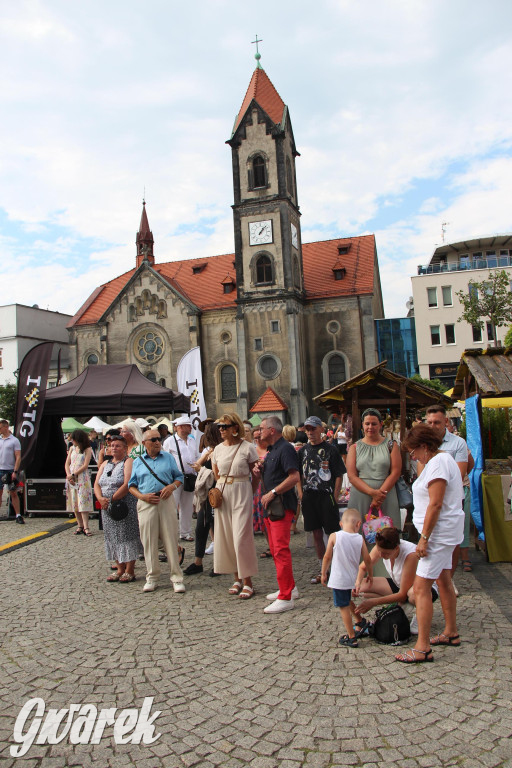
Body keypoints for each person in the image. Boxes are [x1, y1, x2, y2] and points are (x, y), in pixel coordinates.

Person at [395, 424, 464, 663]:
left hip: (437, 535)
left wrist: (424, 538)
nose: (412, 456)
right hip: (440, 533)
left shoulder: (438, 463)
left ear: (425, 446)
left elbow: (436, 504)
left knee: (421, 588)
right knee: (444, 579)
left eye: (413, 451)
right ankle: (450, 632)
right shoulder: (440, 461)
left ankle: (422, 646)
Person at [128, 429, 185, 593]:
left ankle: (176, 577)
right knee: (149, 540)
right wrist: (142, 496)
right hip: (146, 502)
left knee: (170, 539)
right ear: (145, 443)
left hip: (165, 501)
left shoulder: (168, 457)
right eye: (153, 440)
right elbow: (131, 485)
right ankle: (152, 576)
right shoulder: (137, 461)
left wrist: (171, 486)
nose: (157, 442)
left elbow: (179, 477)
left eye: (159, 439)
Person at [354, 526, 439, 636]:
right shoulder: (381, 545)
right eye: (379, 551)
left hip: (422, 589)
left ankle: (418, 613)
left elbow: (402, 594)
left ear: (397, 549)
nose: (381, 555)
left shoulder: (410, 555)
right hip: (399, 583)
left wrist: (373, 603)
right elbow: (363, 567)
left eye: (386, 553)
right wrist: (356, 583)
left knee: (412, 595)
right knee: (363, 587)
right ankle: (399, 605)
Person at [211, 413, 259, 600]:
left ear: (235, 428)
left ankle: (248, 581)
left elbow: (256, 474)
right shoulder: (217, 449)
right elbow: (216, 474)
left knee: (241, 538)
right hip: (223, 492)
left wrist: (249, 492)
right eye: (220, 427)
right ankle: (236, 578)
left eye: (225, 426)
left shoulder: (247, 447)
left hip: (241, 490)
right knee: (227, 537)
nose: (221, 430)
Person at [419, 404, 471, 579]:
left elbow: (459, 474)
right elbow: (421, 475)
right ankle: (439, 579)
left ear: (446, 421)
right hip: (430, 499)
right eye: (430, 422)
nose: (433, 426)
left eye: (437, 422)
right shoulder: (424, 443)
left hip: (452, 500)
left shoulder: (458, 443)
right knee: (431, 537)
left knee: (452, 541)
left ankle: (449, 577)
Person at [258, 416, 301, 614]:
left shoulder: (285, 449)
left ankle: (286, 597)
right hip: (272, 506)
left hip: (281, 506)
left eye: (262, 428)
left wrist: (274, 492)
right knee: (275, 549)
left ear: (272, 430)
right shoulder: (272, 450)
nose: (259, 432)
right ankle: (289, 588)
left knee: (281, 550)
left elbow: (294, 477)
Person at [298, 416, 346, 584]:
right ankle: (323, 569)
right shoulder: (302, 450)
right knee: (316, 533)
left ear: (320, 429)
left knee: (333, 533)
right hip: (309, 496)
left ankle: (338, 568)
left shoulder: (331, 449)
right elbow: (297, 474)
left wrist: (335, 494)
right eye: (307, 429)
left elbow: (339, 473)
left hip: (326, 495)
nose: (310, 432)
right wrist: (300, 493)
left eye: (313, 429)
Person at [321, 508, 373, 647]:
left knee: (343, 605)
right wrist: (370, 574)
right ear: (359, 524)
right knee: (347, 599)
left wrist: (323, 573)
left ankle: (351, 636)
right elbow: (367, 559)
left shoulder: (334, 536)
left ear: (341, 524)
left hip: (339, 579)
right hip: (352, 578)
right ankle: (359, 621)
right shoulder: (359, 538)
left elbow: (327, 556)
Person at [94, 435, 143, 582]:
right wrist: (100, 498)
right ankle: (119, 568)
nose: (114, 448)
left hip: (123, 505)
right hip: (106, 507)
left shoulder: (128, 462)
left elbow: (127, 483)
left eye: (118, 445)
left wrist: (111, 499)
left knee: (126, 536)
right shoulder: (105, 464)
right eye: (112, 445)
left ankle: (130, 569)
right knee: (112, 536)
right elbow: (97, 483)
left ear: (125, 448)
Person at [345, 408, 401, 529]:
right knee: (359, 532)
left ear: (380, 425)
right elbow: (352, 476)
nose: (370, 427)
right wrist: (373, 493)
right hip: (361, 494)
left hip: (386, 494)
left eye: (374, 424)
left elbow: (395, 472)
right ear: (362, 425)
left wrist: (379, 495)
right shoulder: (355, 447)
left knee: (387, 533)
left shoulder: (391, 445)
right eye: (367, 424)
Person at [183, 422, 222, 575]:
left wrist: (202, 469)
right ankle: (198, 562)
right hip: (207, 495)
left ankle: (220, 563)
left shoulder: (221, 451)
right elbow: (197, 465)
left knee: (217, 528)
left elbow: (217, 473)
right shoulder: (212, 450)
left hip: (218, 494)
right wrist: (204, 458)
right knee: (201, 528)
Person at [164, 416, 199, 542]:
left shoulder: (192, 440)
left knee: (187, 505)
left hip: (190, 476)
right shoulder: (170, 441)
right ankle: (171, 533)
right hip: (175, 478)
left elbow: (195, 456)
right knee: (173, 506)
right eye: (188, 425)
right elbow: (165, 459)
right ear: (180, 427)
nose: (190, 428)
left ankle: (185, 532)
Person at [65, 429, 94, 536]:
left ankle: (86, 526)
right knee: (75, 502)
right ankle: (79, 525)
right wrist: (69, 475)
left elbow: (85, 465)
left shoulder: (87, 449)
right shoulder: (72, 448)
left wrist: (73, 474)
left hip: (82, 477)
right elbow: (67, 463)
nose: (72, 441)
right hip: (72, 478)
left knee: (83, 501)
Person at [0, 419, 23, 524]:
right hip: (0, 468)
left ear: (5, 427)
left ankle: (18, 515)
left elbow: (18, 457)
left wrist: (15, 471)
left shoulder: (14, 440)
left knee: (13, 492)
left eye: (0, 428)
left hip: (10, 469)